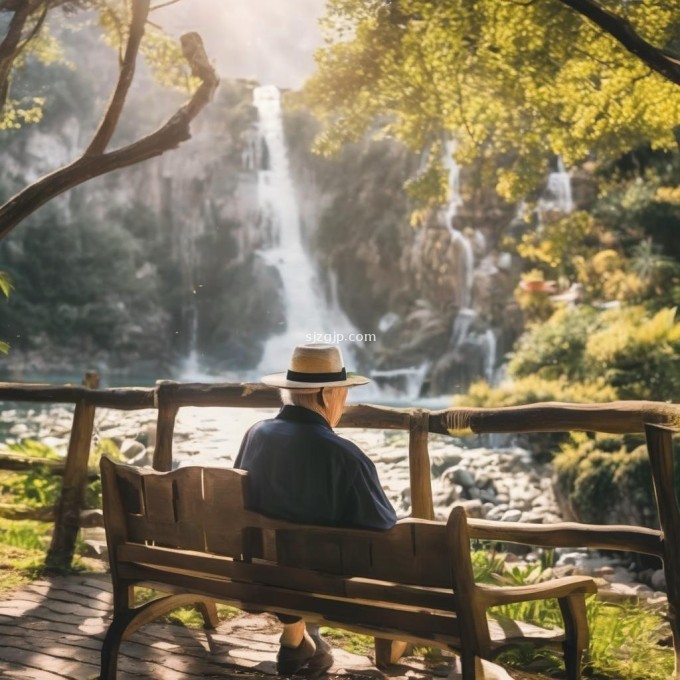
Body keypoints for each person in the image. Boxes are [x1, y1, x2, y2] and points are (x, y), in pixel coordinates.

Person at [235, 343, 397, 676]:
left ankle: (297, 637)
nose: (345, 403)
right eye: (343, 394)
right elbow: (387, 537)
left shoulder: (255, 434)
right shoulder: (344, 455)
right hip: (333, 589)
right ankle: (302, 638)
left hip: (264, 574)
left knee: (297, 547)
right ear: (324, 395)